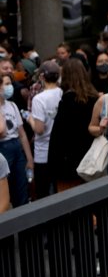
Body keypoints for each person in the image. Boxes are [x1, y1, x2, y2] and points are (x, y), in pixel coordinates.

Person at [48, 58, 99, 191]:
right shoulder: (95, 99)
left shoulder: (67, 101)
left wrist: (53, 166)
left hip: (70, 166)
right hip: (92, 160)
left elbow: (58, 137)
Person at [29, 59, 62, 198]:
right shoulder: (61, 93)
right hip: (58, 150)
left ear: (42, 77)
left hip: (42, 153)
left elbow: (39, 129)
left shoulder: (39, 99)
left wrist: (29, 118)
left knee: (43, 193)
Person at [0, 73, 33, 206]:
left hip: (17, 147)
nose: (10, 87)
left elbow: (22, 133)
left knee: (21, 186)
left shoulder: (12, 105)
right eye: (6, 84)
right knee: (5, 187)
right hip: (3, 148)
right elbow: (2, 132)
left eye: (10, 84)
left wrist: (29, 158)